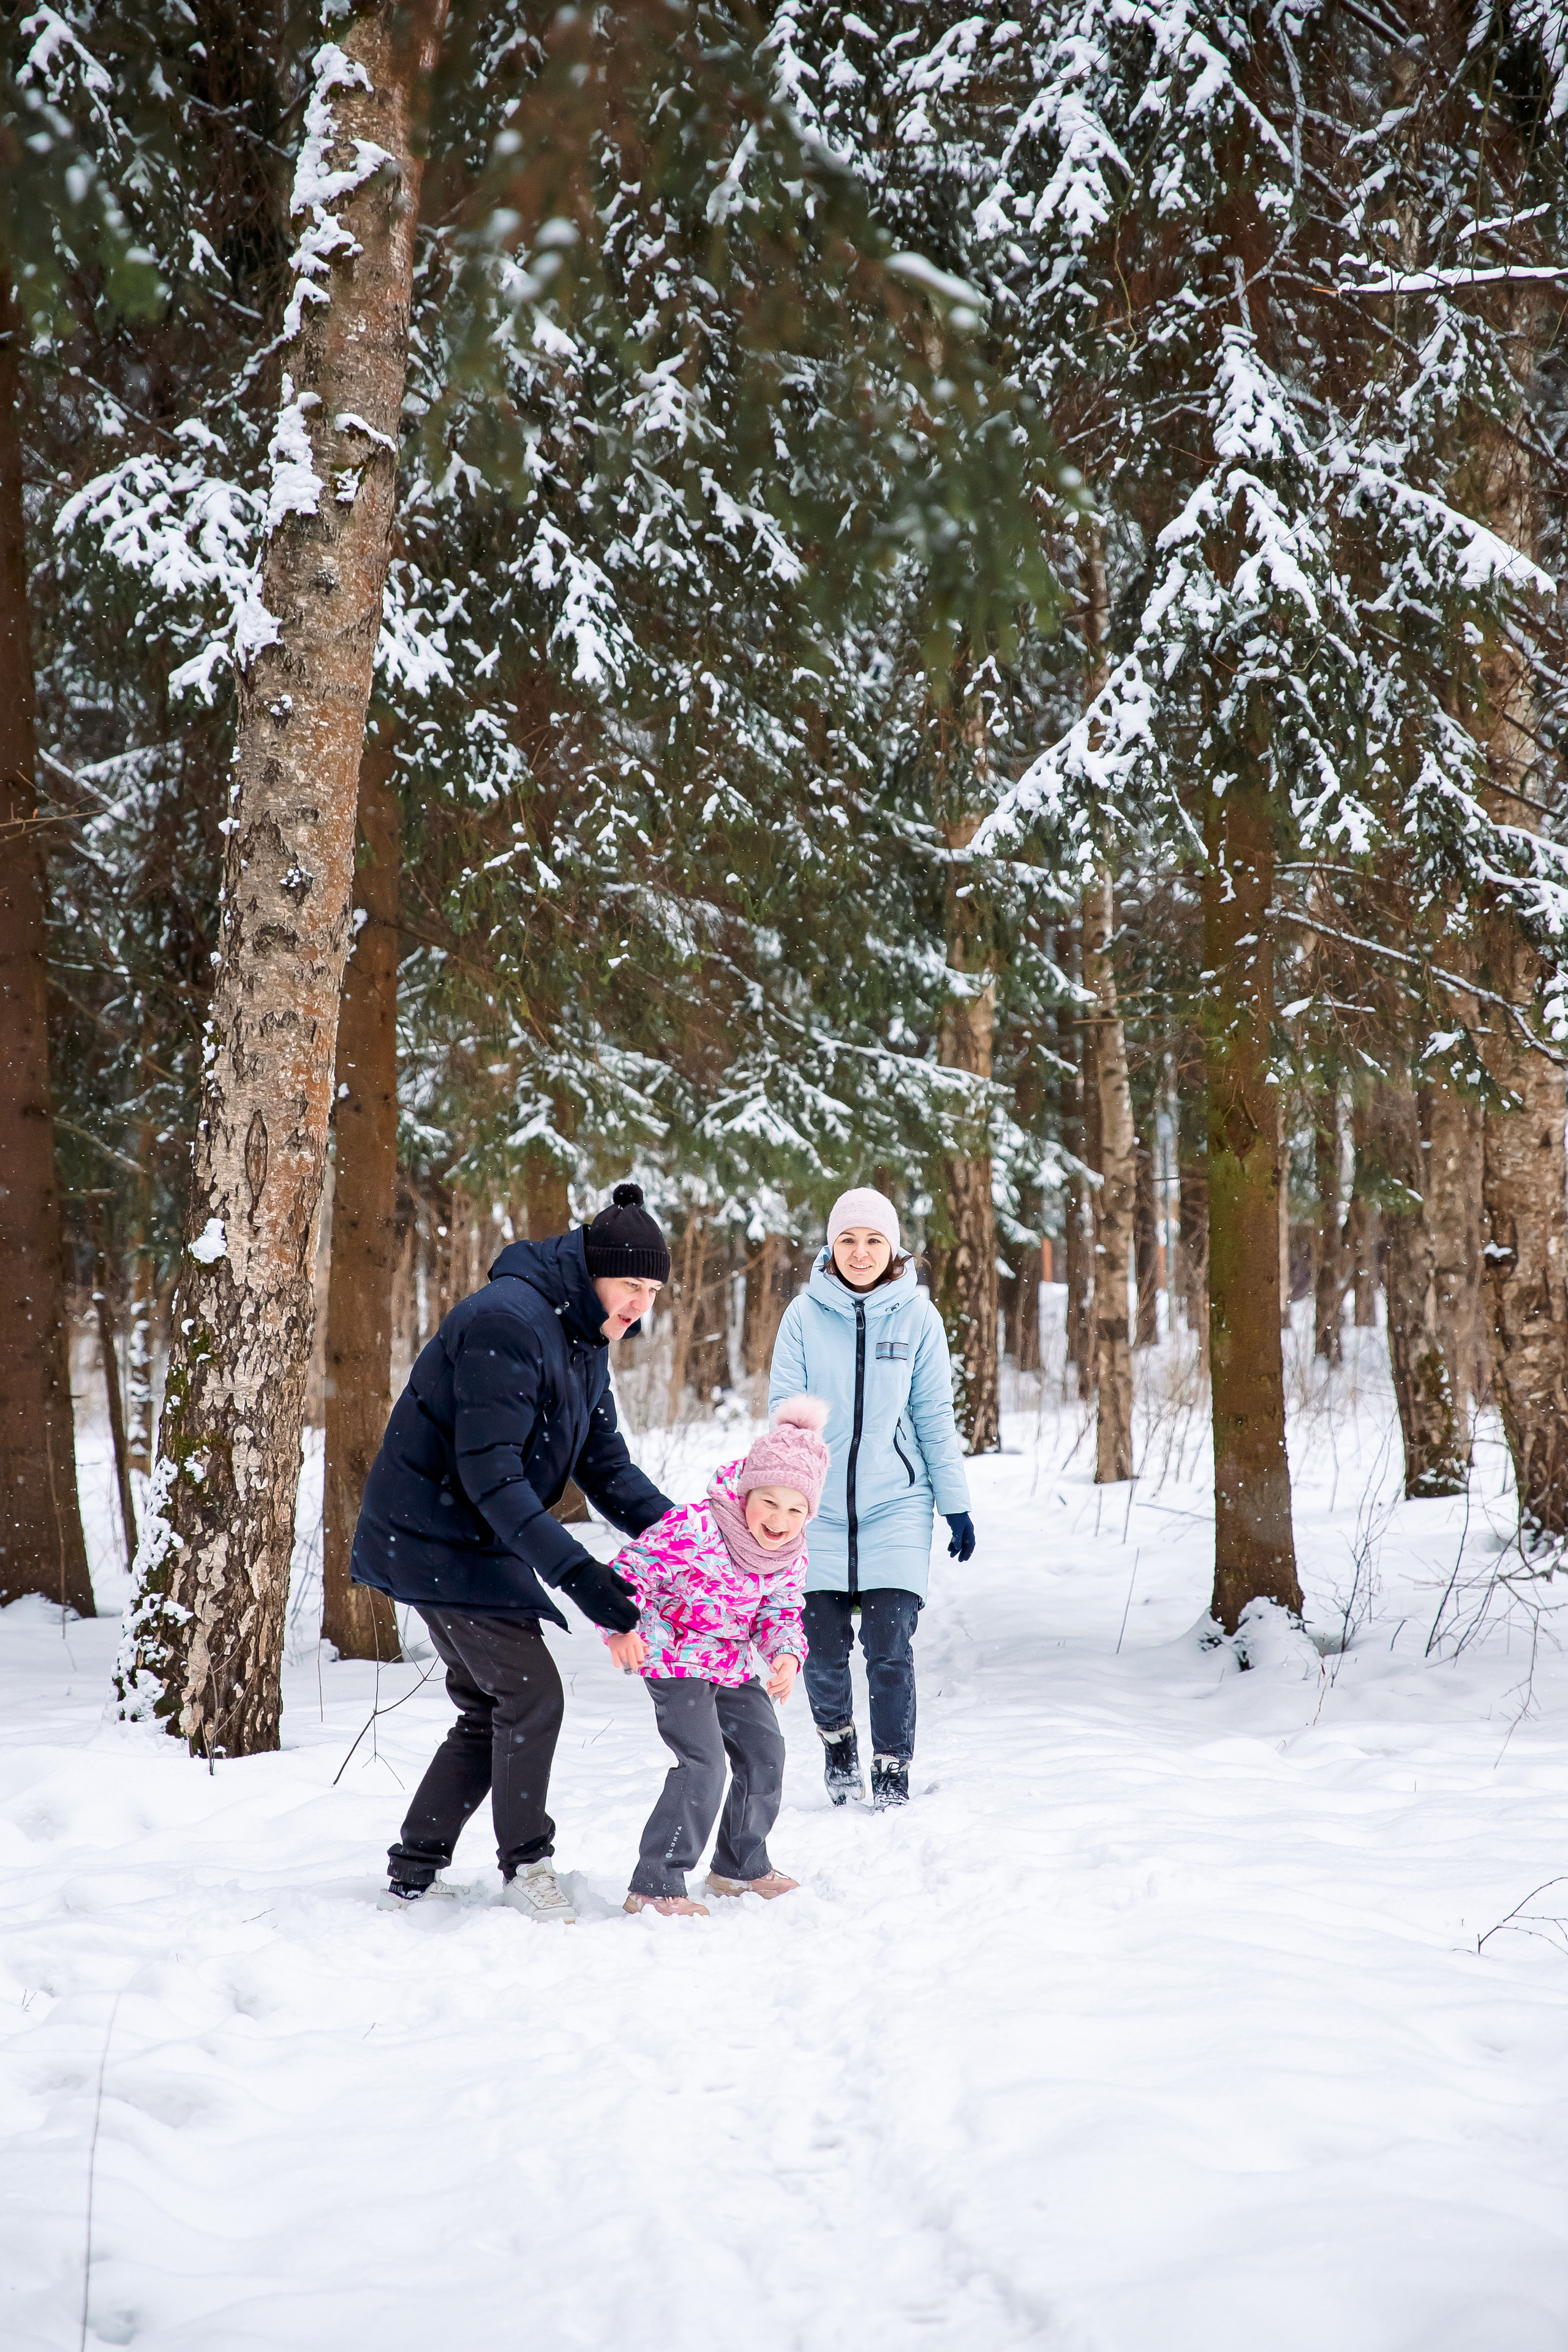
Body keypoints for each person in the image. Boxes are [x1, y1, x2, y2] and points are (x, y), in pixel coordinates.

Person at [351, 1181, 673, 1921]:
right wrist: (579, 1577)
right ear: (592, 1269)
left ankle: (414, 1872)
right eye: (630, 1285)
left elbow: (606, 1467)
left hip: (470, 1535)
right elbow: (490, 1475)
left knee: (489, 1707)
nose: (640, 1305)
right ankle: (527, 1864)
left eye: (652, 1290)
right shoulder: (510, 1323)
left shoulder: (583, 1337)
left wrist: (690, 1540)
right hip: (436, 1534)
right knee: (531, 1697)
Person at [767, 1188, 974, 1809]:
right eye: (848, 1240)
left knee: (889, 1645)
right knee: (822, 1647)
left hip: (896, 1504)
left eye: (873, 1240)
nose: (860, 1253)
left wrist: (954, 1503)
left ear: (893, 1249)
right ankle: (837, 1744)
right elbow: (785, 1418)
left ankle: (891, 1770)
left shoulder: (919, 1319)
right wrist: (775, 1510)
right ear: (831, 1247)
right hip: (816, 1510)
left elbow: (934, 1415)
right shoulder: (803, 1317)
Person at [605, 1396, 829, 1917]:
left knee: (765, 1751)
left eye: (797, 1509)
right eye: (770, 1502)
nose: (781, 1519)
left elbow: (781, 1611)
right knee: (703, 1762)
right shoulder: (695, 1528)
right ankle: (656, 1883)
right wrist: (621, 1628)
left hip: (728, 1662)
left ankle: (739, 1866)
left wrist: (787, 1656)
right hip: (674, 1656)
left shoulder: (790, 1554)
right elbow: (626, 1572)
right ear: (747, 1492)